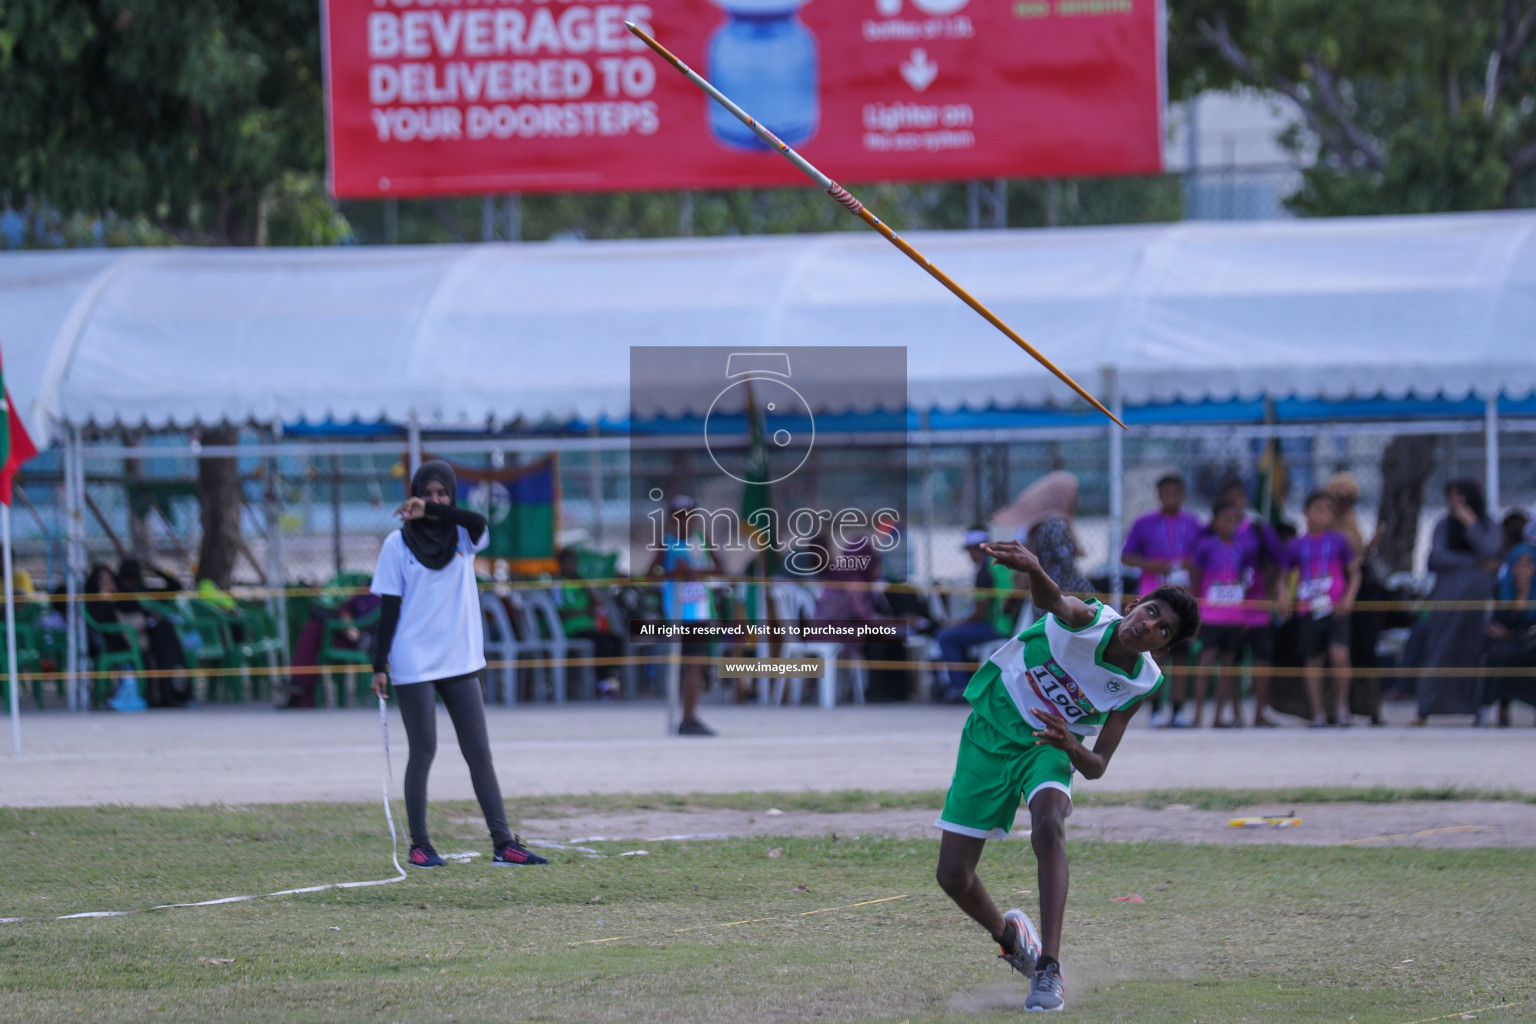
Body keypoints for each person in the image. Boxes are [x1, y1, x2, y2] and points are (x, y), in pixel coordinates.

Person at [933, 538, 1199, 1013]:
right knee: (953, 876)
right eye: (1152, 611)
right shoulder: (1092, 619)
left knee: (1050, 824)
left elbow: (1096, 767)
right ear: (1135, 605)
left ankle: (1049, 968)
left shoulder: (1142, 681)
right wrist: (1034, 567)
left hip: (1049, 745)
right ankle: (1014, 941)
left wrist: (1070, 743)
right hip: (992, 727)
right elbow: (1056, 602)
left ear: (1166, 646)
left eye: (1163, 629)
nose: (1150, 624)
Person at [370, 460, 548, 869]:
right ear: (413, 492)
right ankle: (420, 845)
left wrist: (431, 511)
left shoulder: (464, 537)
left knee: (479, 752)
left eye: (442, 494)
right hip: (413, 658)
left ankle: (504, 844)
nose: (434, 500)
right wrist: (379, 665)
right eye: (426, 493)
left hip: (459, 656)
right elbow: (389, 609)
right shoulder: (396, 545)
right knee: (424, 749)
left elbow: (477, 518)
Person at [1413, 480, 1501, 726]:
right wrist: (1475, 563)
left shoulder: (1486, 524)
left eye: (1459, 497)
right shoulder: (1443, 525)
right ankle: (1426, 708)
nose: (1455, 503)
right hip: (1448, 596)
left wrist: (1470, 524)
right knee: (1439, 649)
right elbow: (1438, 557)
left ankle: (1474, 709)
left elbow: (1490, 548)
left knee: (1473, 652)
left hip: (1475, 597)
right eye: (1451, 497)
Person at [1121, 474, 1204, 726]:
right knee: (1154, 656)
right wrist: (1156, 565)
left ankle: (1178, 710)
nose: (1170, 497)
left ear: (1183, 495)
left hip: (1184, 600)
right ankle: (1155, 710)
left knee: (1180, 656)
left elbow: (1203, 558)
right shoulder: (1144, 523)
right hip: (1154, 598)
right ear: (1158, 495)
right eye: (1165, 492)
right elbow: (1127, 557)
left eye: (1175, 492)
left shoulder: (1194, 523)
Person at [1280, 492, 1362, 727]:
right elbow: (1283, 577)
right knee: (1313, 659)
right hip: (1309, 607)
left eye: (1327, 509)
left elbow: (1355, 572)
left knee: (1340, 655)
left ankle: (1342, 706)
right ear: (1306, 513)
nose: (1322, 514)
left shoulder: (1339, 540)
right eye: (1317, 509)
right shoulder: (1296, 544)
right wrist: (1284, 595)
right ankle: (1317, 713)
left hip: (1336, 607)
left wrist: (1349, 597)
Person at [646, 494, 725, 735]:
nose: (684, 522)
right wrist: (671, 572)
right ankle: (685, 715)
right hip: (677, 612)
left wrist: (692, 571)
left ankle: (689, 715)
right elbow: (650, 575)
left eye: (688, 517)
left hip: (699, 610)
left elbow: (721, 570)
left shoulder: (701, 540)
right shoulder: (666, 543)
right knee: (685, 666)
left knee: (695, 665)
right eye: (678, 518)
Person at [1189, 498, 1258, 727]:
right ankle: (1197, 715)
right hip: (1211, 615)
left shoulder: (1243, 547)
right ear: (1215, 521)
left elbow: (1245, 579)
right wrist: (1197, 607)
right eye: (1226, 519)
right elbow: (1196, 577)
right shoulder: (1206, 546)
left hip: (1235, 615)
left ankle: (1218, 715)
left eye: (1235, 520)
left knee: (1229, 666)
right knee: (1206, 662)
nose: (1231, 524)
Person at [935, 527, 1009, 702]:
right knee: (957, 636)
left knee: (946, 637)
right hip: (1009, 622)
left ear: (978, 549)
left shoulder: (985, 571)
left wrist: (956, 624)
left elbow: (980, 613)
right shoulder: (1002, 564)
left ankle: (959, 687)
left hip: (997, 626)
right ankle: (969, 682)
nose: (969, 556)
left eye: (969, 551)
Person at [993, 471, 1092, 595]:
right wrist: (1092, 594)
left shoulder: (1042, 524)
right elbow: (1068, 568)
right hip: (1058, 598)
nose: (1076, 498)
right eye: (1073, 492)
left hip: (1043, 595)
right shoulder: (1055, 525)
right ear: (1059, 495)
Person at [114, 558, 194, 708]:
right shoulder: (119, 596)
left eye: (134, 577)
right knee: (165, 635)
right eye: (127, 577)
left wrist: (155, 570)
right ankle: (166, 694)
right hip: (135, 638)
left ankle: (175, 692)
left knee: (167, 632)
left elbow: (175, 586)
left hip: (156, 637)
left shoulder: (144, 591)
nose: (131, 581)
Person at [554, 547, 624, 700]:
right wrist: (582, 611)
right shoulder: (558, 584)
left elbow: (595, 605)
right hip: (572, 629)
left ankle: (605, 680)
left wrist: (587, 589)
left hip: (588, 627)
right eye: (569, 562)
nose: (572, 565)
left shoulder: (579, 582)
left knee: (617, 641)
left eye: (574, 562)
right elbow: (559, 612)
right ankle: (601, 686)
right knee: (603, 644)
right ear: (561, 564)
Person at [1484, 535, 1536, 726]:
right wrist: (1521, 596)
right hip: (1511, 641)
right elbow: (1497, 624)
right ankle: (1501, 707)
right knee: (1501, 653)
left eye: (1528, 564)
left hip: (1531, 639)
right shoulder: (1502, 588)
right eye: (1519, 564)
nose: (1523, 570)